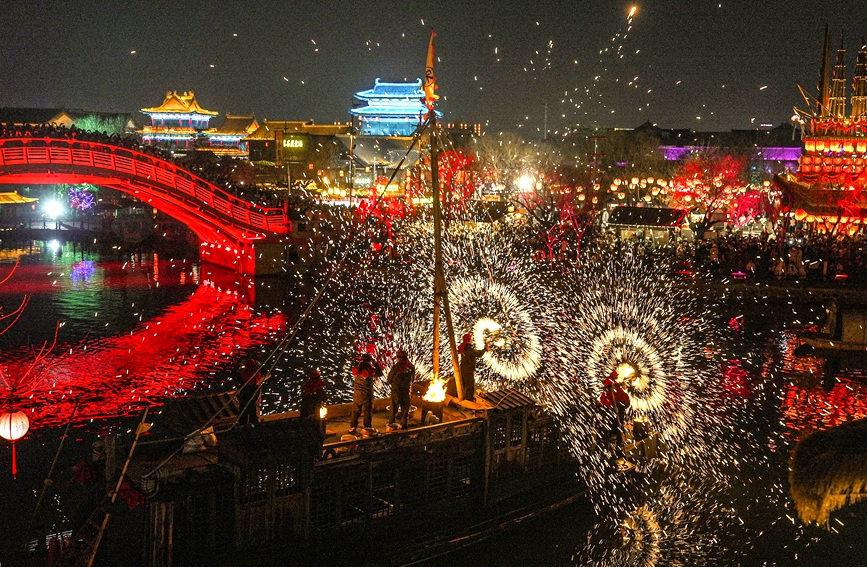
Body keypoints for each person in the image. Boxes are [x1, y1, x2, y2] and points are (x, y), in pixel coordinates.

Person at [349, 352, 382, 433]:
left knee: (355, 411)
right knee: (367, 411)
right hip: (367, 395)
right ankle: (367, 428)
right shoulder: (369, 368)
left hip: (357, 394)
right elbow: (380, 373)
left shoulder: (357, 369)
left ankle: (353, 427)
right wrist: (375, 363)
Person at [600, 370, 631, 445]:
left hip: (617, 404)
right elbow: (609, 395)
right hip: (616, 404)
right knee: (618, 422)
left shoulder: (613, 383)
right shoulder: (611, 383)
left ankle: (615, 436)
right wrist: (610, 405)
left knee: (616, 422)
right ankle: (618, 439)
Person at [387, 350, 415, 430]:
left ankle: (392, 426)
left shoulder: (396, 367)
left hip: (396, 391)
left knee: (393, 410)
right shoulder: (411, 366)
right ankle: (404, 427)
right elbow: (412, 380)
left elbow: (389, 379)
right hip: (406, 391)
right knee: (405, 411)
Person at [237, 359, 269, 424]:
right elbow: (267, 374)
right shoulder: (256, 372)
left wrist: (238, 365)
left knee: (244, 407)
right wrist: (259, 365)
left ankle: (243, 423)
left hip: (245, 390)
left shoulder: (243, 372)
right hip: (254, 389)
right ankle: (254, 422)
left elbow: (234, 374)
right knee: (253, 406)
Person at [458, 333, 489, 401]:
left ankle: (463, 398)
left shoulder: (464, 348)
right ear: (469, 340)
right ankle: (469, 400)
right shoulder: (469, 349)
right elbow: (479, 354)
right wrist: (485, 349)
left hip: (463, 369)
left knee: (464, 385)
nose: (472, 339)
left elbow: (476, 352)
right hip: (468, 370)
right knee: (470, 386)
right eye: (471, 338)